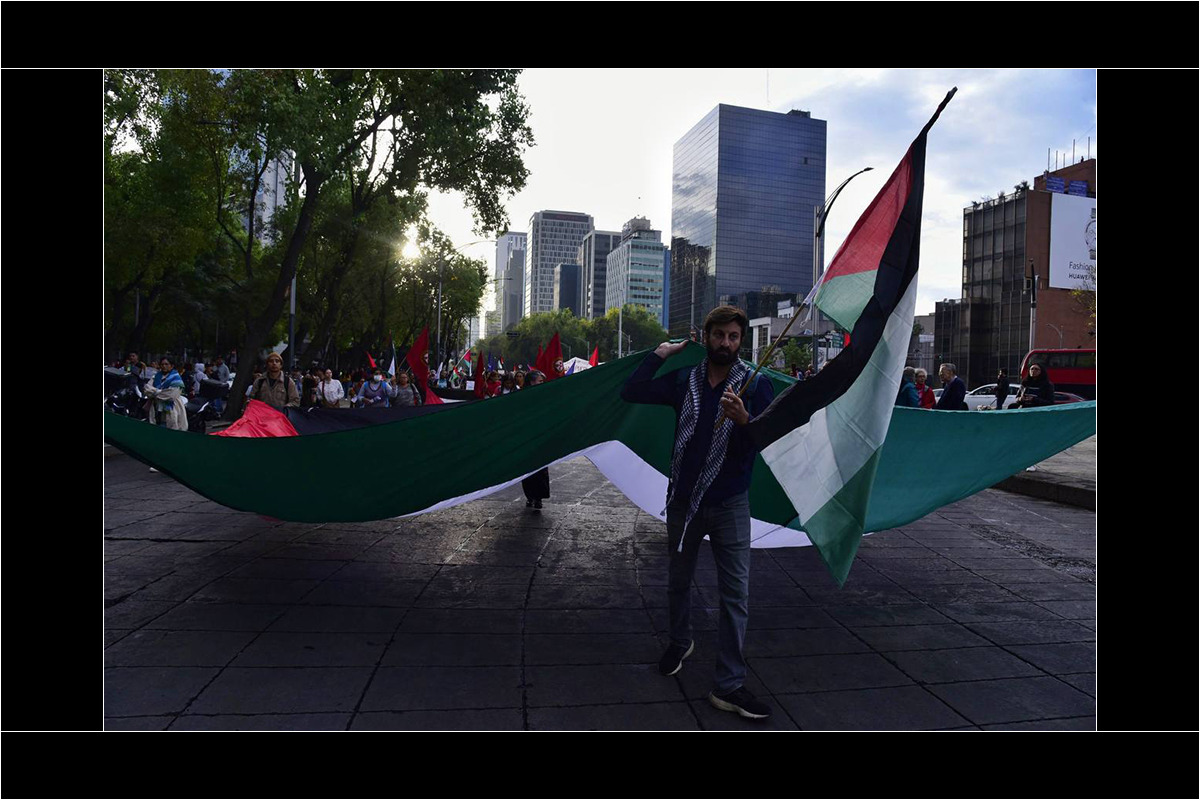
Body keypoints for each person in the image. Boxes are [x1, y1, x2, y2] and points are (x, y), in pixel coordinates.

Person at [620, 305, 776, 721]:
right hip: (685, 501)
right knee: (678, 580)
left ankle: (729, 685)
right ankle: (679, 640)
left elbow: (766, 440)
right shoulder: (683, 381)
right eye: (719, 335)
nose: (726, 343)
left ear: (741, 341)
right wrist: (660, 353)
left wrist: (745, 421)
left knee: (735, 597)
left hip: (729, 503)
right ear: (705, 336)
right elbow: (630, 391)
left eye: (733, 337)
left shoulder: (755, 386)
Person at [520, 370, 550, 509]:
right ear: (531, 382)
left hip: (541, 437)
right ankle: (530, 496)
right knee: (527, 470)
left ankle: (539, 498)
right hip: (526, 438)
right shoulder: (521, 396)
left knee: (541, 469)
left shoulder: (545, 396)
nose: (542, 383)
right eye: (540, 381)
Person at [143, 356, 188, 430]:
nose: (164, 366)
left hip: (172, 408)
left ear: (171, 366)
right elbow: (147, 389)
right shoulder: (156, 376)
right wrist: (161, 392)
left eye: (166, 364)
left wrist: (155, 392)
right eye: (162, 364)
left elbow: (171, 395)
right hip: (156, 407)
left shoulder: (176, 378)